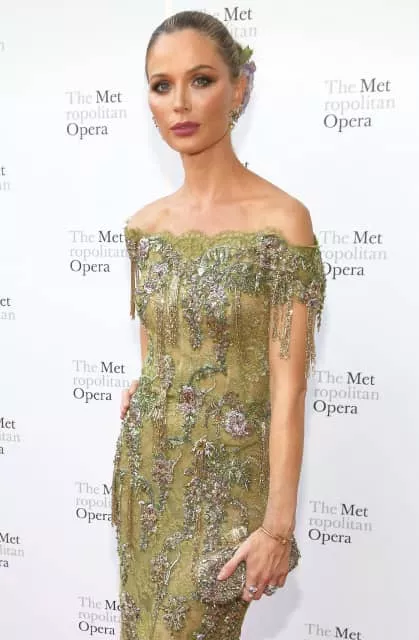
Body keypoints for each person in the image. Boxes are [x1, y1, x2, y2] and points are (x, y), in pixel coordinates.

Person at [111, 10, 326, 640]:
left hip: (227, 491)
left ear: (239, 88)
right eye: (161, 85)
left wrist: (278, 529)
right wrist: (152, 384)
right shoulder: (144, 228)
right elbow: (158, 352)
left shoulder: (283, 222)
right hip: (148, 478)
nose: (179, 103)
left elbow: (289, 388)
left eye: (200, 80)